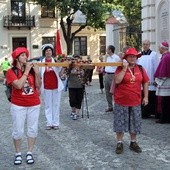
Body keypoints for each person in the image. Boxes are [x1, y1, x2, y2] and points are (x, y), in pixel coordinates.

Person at [6, 47, 41, 165]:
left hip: (34, 103)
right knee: (18, 131)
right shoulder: (11, 72)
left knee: (32, 130)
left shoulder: (31, 70)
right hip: (18, 105)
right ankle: (18, 153)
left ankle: (29, 152)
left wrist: (36, 73)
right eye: (22, 55)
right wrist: (26, 71)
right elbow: (18, 85)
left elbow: (38, 86)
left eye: (26, 55)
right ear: (16, 59)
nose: (26, 57)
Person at [112, 47, 149, 154]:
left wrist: (146, 97)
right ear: (126, 58)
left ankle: (133, 142)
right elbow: (117, 80)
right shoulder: (120, 68)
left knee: (134, 122)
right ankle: (119, 142)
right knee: (120, 122)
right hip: (121, 100)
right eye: (130, 56)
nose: (133, 58)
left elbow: (146, 82)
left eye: (134, 56)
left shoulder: (140, 68)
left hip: (135, 100)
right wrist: (124, 69)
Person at [40, 44, 64, 130]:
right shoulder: (41, 63)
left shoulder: (56, 61)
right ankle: (49, 123)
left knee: (56, 105)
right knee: (48, 105)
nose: (48, 52)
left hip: (56, 86)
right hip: (46, 87)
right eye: (46, 51)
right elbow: (38, 75)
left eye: (49, 50)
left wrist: (63, 66)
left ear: (52, 52)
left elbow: (61, 74)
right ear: (44, 53)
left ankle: (56, 123)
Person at [137, 40, 160, 118]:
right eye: (144, 44)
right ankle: (144, 113)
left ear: (149, 45)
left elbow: (156, 67)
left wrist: (156, 79)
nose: (145, 45)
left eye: (146, 44)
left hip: (151, 79)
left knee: (152, 96)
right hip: (141, 79)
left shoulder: (154, 54)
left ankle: (153, 112)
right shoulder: (139, 55)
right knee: (143, 95)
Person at [154, 41, 170, 123]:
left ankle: (164, 118)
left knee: (165, 102)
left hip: (165, 82)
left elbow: (163, 72)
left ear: (163, 48)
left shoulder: (166, 57)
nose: (159, 49)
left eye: (159, 48)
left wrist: (157, 81)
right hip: (167, 81)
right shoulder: (166, 56)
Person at [67, 54, 85, 120]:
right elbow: (66, 74)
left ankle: (77, 113)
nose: (76, 60)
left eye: (78, 59)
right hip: (72, 85)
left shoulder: (82, 66)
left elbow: (84, 74)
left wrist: (80, 72)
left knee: (79, 99)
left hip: (80, 85)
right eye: (75, 59)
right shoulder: (70, 67)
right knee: (72, 100)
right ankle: (73, 111)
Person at [104, 45, 121, 112]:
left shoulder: (116, 58)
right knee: (107, 91)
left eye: (107, 49)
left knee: (114, 91)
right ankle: (110, 106)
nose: (106, 50)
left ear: (110, 50)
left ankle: (116, 106)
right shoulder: (107, 57)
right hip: (107, 74)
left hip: (113, 75)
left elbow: (119, 67)